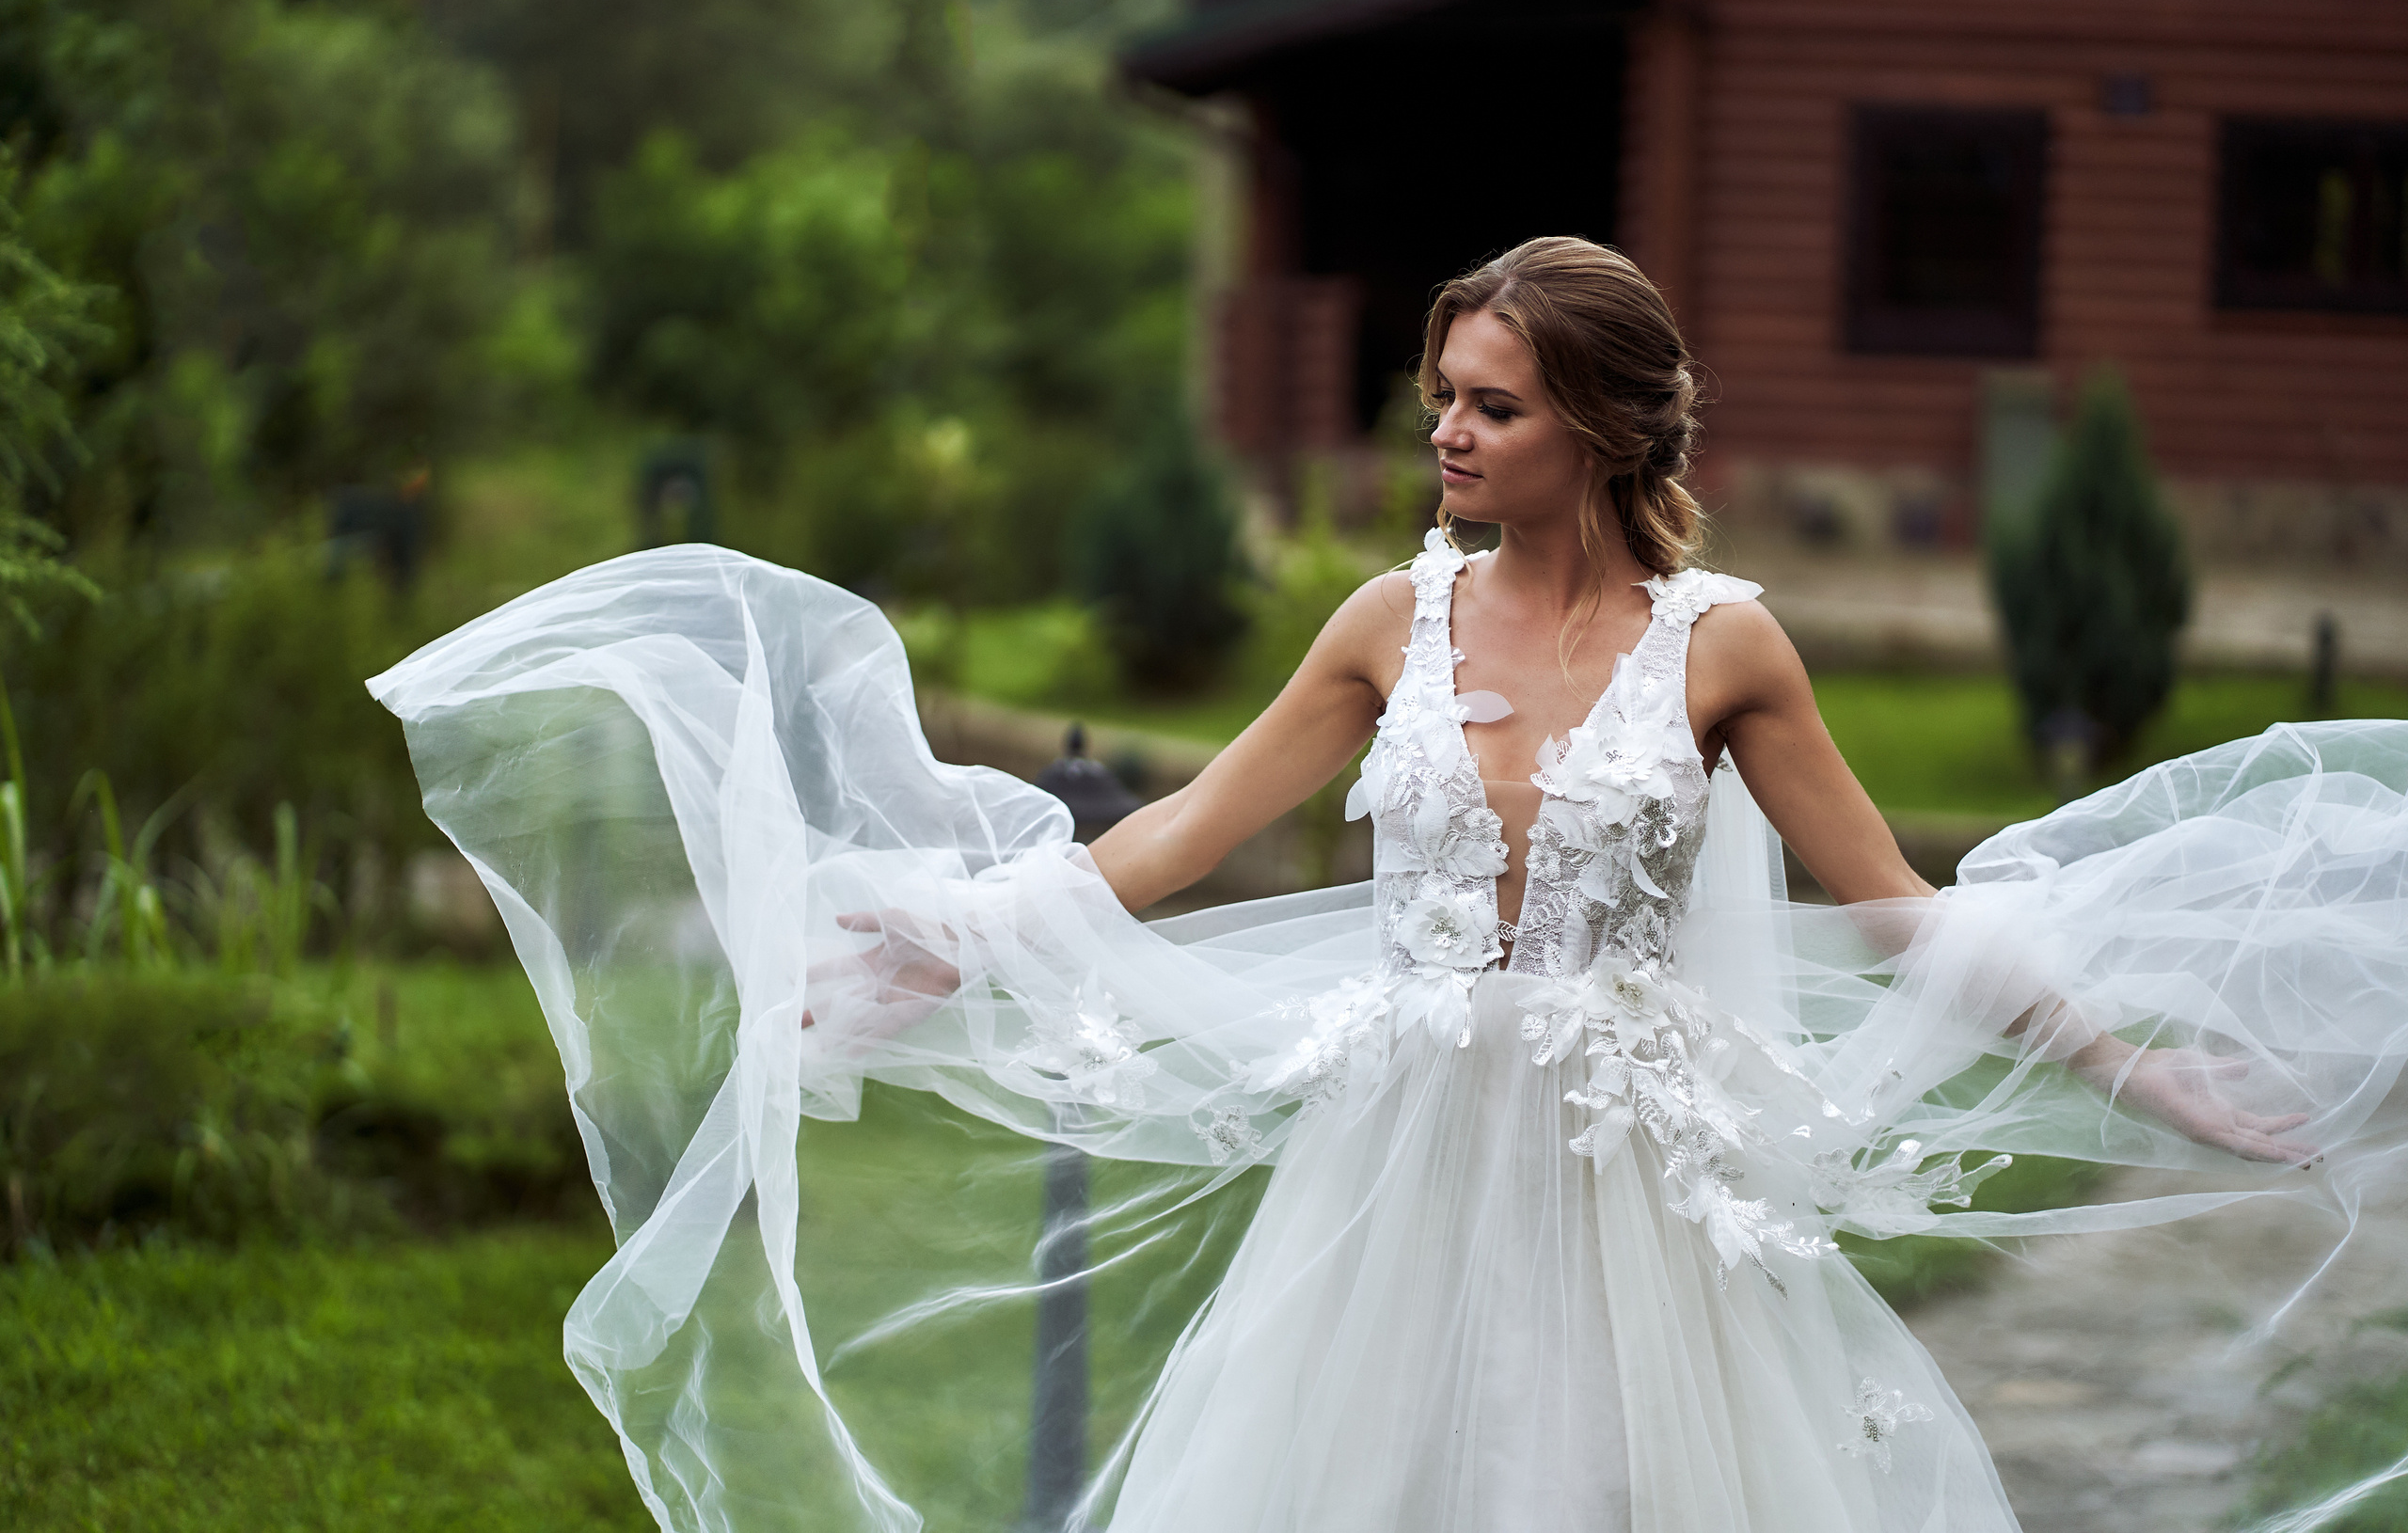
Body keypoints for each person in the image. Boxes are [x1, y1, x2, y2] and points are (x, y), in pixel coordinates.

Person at [372, 237, 2405, 1533]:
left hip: (1627, 1187)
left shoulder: (1724, 647)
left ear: (1597, 427)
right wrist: (955, 942)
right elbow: (1173, 838)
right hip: (1401, 1159)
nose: (1446, 432)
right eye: (1440, 396)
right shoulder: (1383, 624)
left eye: (1489, 405)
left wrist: (2144, 1070)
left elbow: (1897, 904)